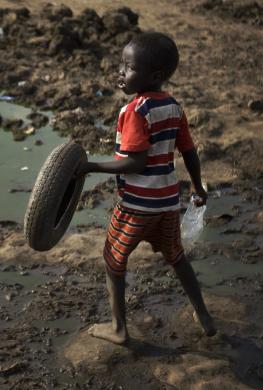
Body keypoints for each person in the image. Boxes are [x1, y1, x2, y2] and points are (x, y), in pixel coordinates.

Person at [73, 32, 216, 345]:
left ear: (155, 76)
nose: (120, 72)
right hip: (166, 204)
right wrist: (196, 186)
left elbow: (135, 163)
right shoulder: (174, 108)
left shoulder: (135, 112)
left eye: (129, 67)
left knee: (113, 258)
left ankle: (118, 329)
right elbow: (189, 151)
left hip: (135, 206)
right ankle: (203, 315)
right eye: (122, 65)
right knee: (177, 257)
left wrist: (91, 167)